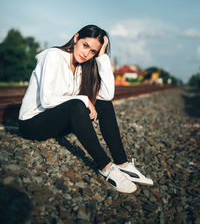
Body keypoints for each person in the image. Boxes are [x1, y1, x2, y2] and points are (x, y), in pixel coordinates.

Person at [19, 24, 153, 193]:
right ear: (76, 38)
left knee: (103, 104)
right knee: (77, 104)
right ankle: (106, 167)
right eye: (85, 46)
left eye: (93, 52)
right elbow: (46, 101)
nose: (86, 54)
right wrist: (82, 99)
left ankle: (122, 163)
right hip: (32, 124)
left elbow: (107, 95)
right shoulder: (54, 56)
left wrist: (102, 57)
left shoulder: (82, 67)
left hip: (54, 124)